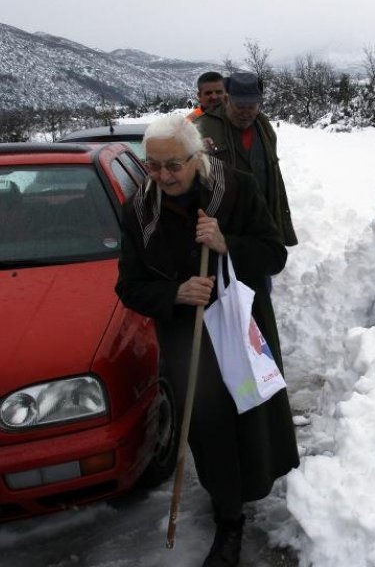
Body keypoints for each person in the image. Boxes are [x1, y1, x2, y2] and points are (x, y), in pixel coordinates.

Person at [115, 113, 299, 567]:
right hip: (186, 337)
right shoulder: (139, 209)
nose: (163, 176)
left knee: (250, 416)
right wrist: (174, 293)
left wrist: (225, 244)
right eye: (153, 167)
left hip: (239, 326)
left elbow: (273, 254)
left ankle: (255, 483)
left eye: (173, 166)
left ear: (197, 157)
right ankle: (228, 515)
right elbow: (129, 285)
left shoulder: (236, 189)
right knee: (208, 426)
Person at [194, 72, 297, 247]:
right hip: (222, 227)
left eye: (252, 107)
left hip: (260, 222)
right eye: (240, 106)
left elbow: (273, 175)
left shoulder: (264, 127)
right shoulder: (201, 127)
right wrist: (195, 154)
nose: (246, 113)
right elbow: (185, 175)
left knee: (261, 270)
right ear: (227, 100)